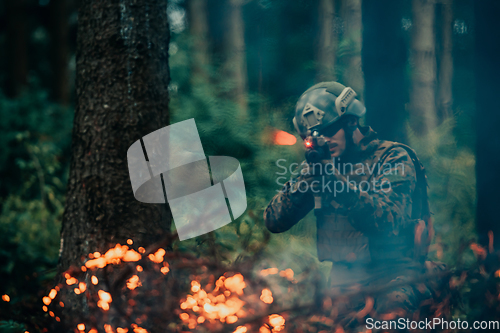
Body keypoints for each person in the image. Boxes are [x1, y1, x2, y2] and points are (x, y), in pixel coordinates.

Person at [264, 82, 440, 320]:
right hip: (342, 282)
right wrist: (311, 175)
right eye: (314, 137)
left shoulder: (393, 157)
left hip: (396, 276)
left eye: (329, 131)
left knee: (390, 319)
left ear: (350, 122)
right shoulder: (321, 166)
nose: (324, 140)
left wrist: (335, 181)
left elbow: (387, 222)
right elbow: (275, 220)